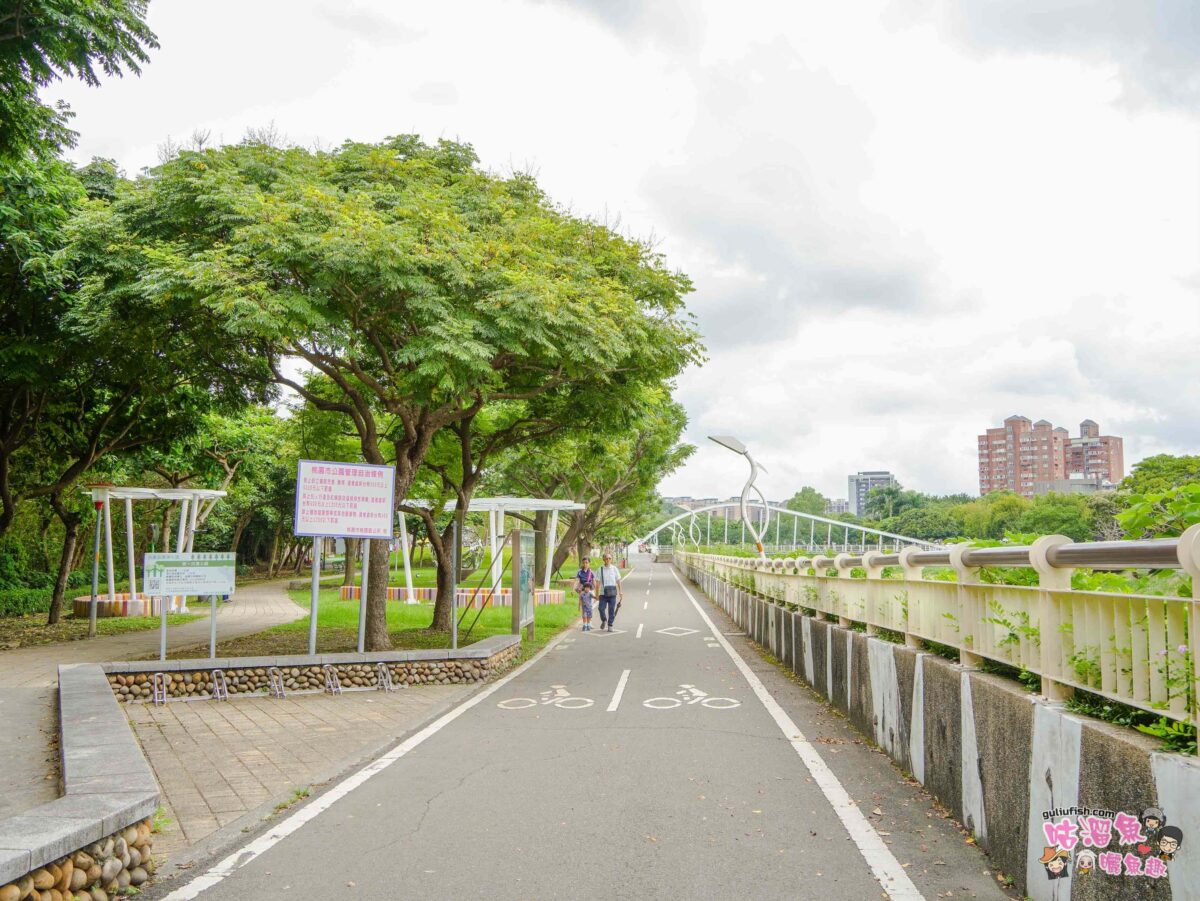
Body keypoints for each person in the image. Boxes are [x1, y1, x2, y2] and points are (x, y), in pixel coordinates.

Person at [597, 553, 623, 632]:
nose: (608, 560)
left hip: (612, 593)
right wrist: (596, 594)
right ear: (603, 559)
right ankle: (604, 620)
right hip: (603, 593)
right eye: (606, 558)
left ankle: (610, 624)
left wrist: (620, 591)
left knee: (611, 610)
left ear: (611, 559)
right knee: (601, 608)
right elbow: (597, 583)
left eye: (609, 558)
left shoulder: (614, 569)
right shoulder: (600, 569)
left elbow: (618, 580)